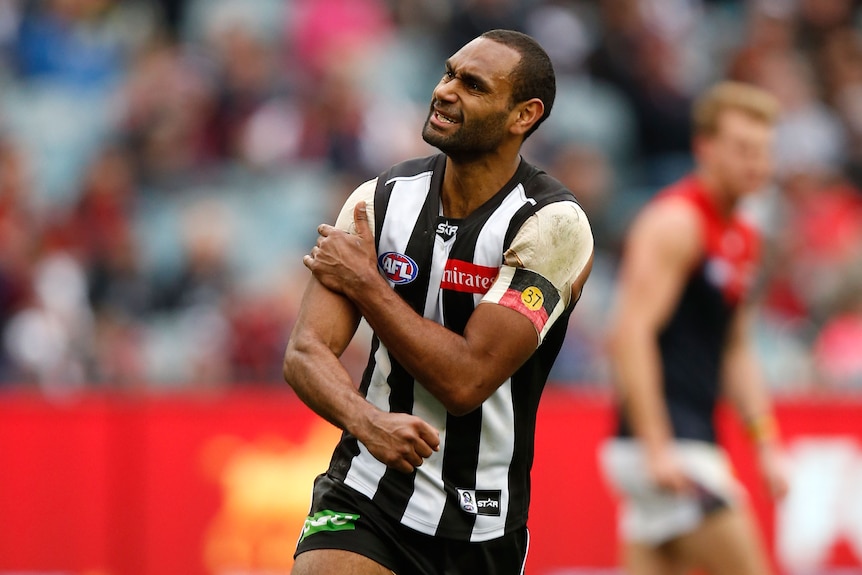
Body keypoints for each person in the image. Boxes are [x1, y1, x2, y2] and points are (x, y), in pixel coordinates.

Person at [283, 29, 594, 575]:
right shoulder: (377, 200)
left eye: (472, 85)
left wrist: (366, 284)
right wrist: (367, 423)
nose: (445, 91)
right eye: (449, 73)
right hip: (364, 494)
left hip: (481, 521)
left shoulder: (551, 226)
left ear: (524, 115)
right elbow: (305, 352)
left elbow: (466, 382)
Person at [601, 81, 790, 575]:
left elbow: (736, 348)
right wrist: (656, 446)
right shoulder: (675, 222)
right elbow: (629, 332)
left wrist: (765, 443)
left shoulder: (745, 237)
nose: (758, 163)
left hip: (688, 441)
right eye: (744, 149)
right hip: (667, 448)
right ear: (704, 148)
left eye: (764, 151)